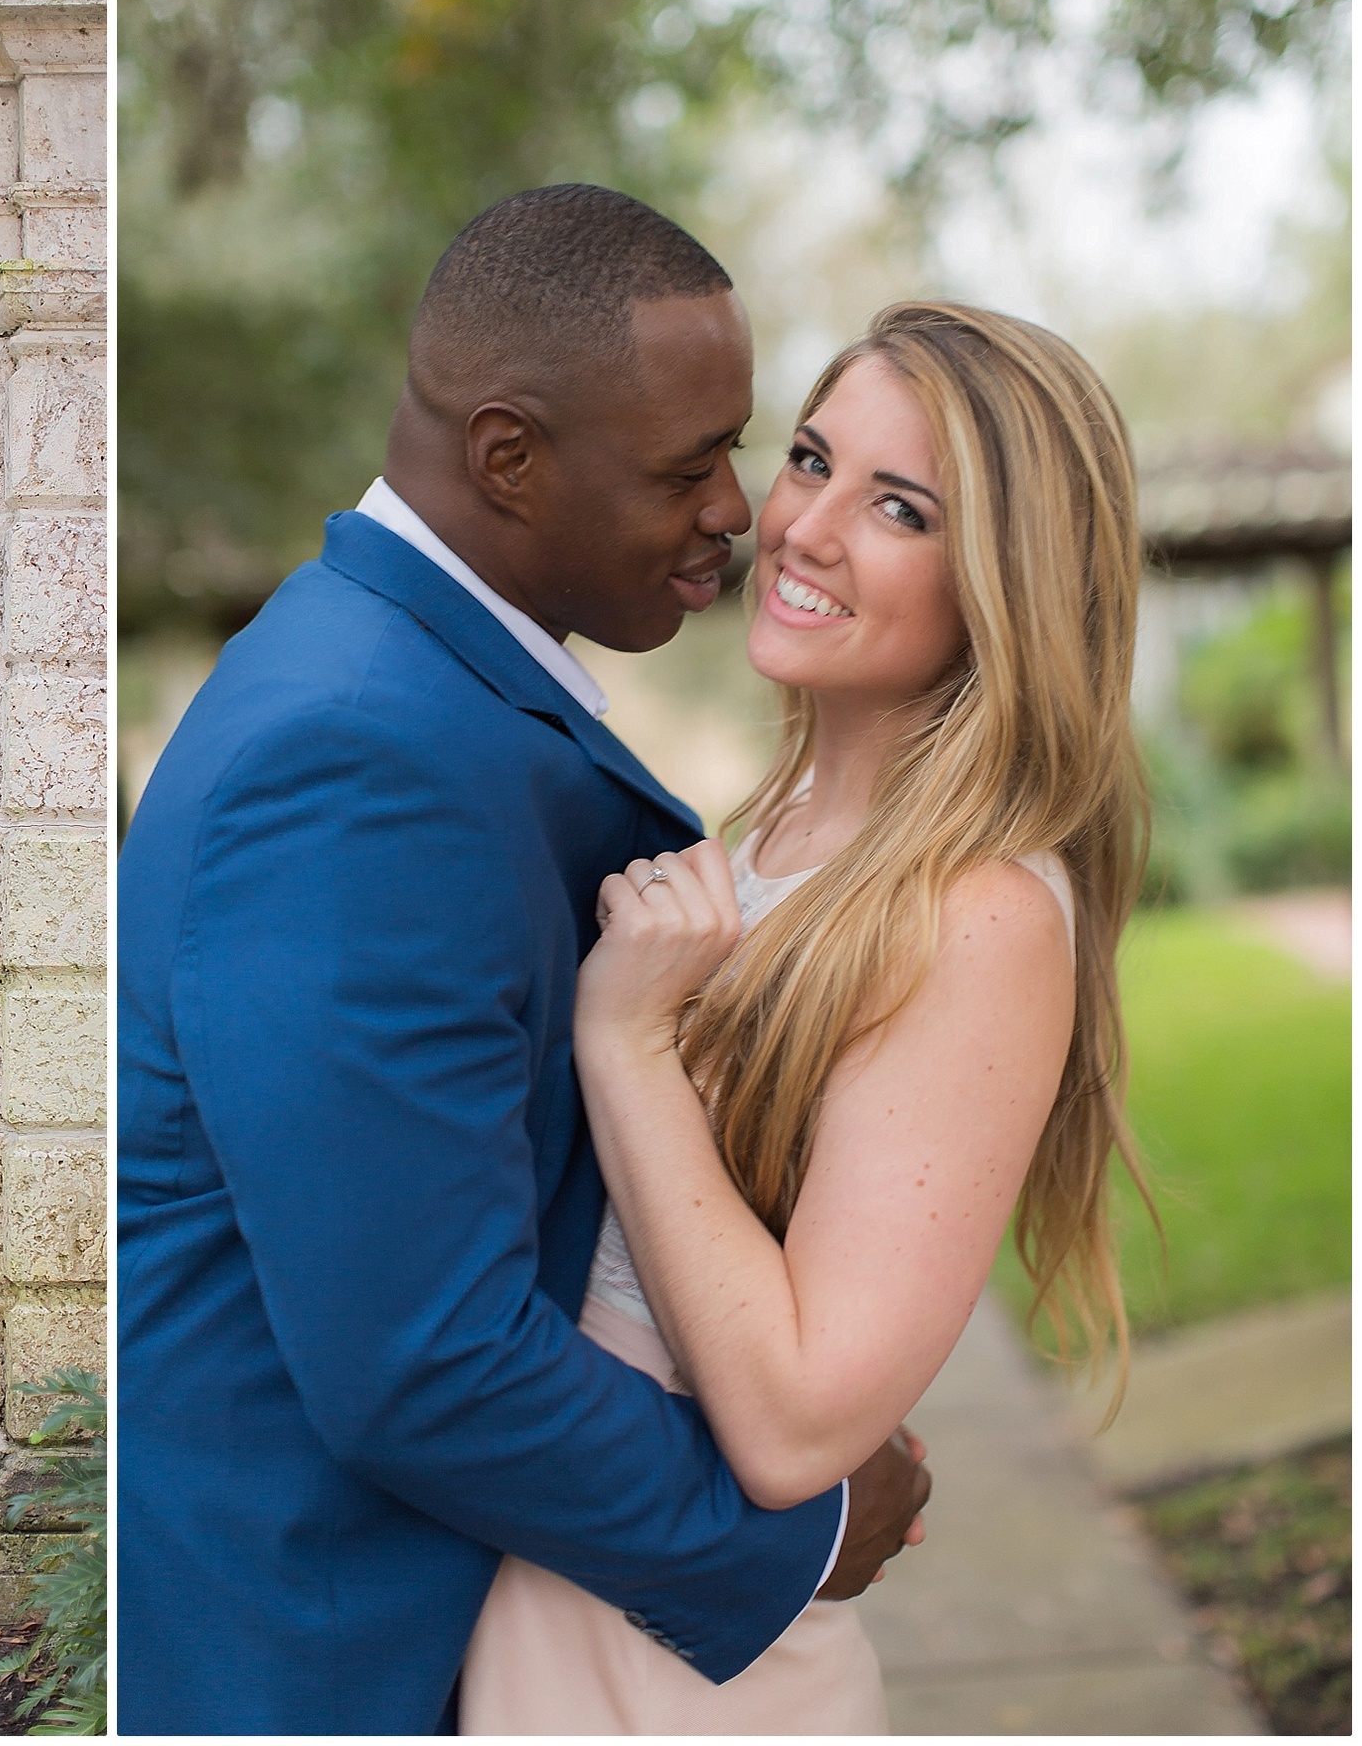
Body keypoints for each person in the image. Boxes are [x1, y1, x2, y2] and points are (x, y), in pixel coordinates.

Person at [116, 185, 929, 1734]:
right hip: (329, 1664)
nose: (740, 512)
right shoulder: (357, 757)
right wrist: (795, 1530)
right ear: (508, 455)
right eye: (690, 469)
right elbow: (420, 1360)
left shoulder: (426, 691)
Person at [460, 300, 1149, 1731]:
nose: (808, 527)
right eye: (813, 460)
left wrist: (626, 1039)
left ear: (1007, 580)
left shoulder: (981, 915)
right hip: (558, 1609)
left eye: (899, 506)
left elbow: (793, 1429)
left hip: (677, 1680)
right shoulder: (768, 836)